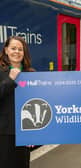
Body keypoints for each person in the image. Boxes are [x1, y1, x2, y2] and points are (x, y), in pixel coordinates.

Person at [0, 36, 35, 168]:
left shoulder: (31, 73)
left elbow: (35, 103)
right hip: (4, 132)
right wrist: (10, 79)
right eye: (13, 48)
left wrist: (34, 133)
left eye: (20, 49)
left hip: (24, 130)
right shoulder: (1, 72)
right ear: (6, 50)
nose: (17, 52)